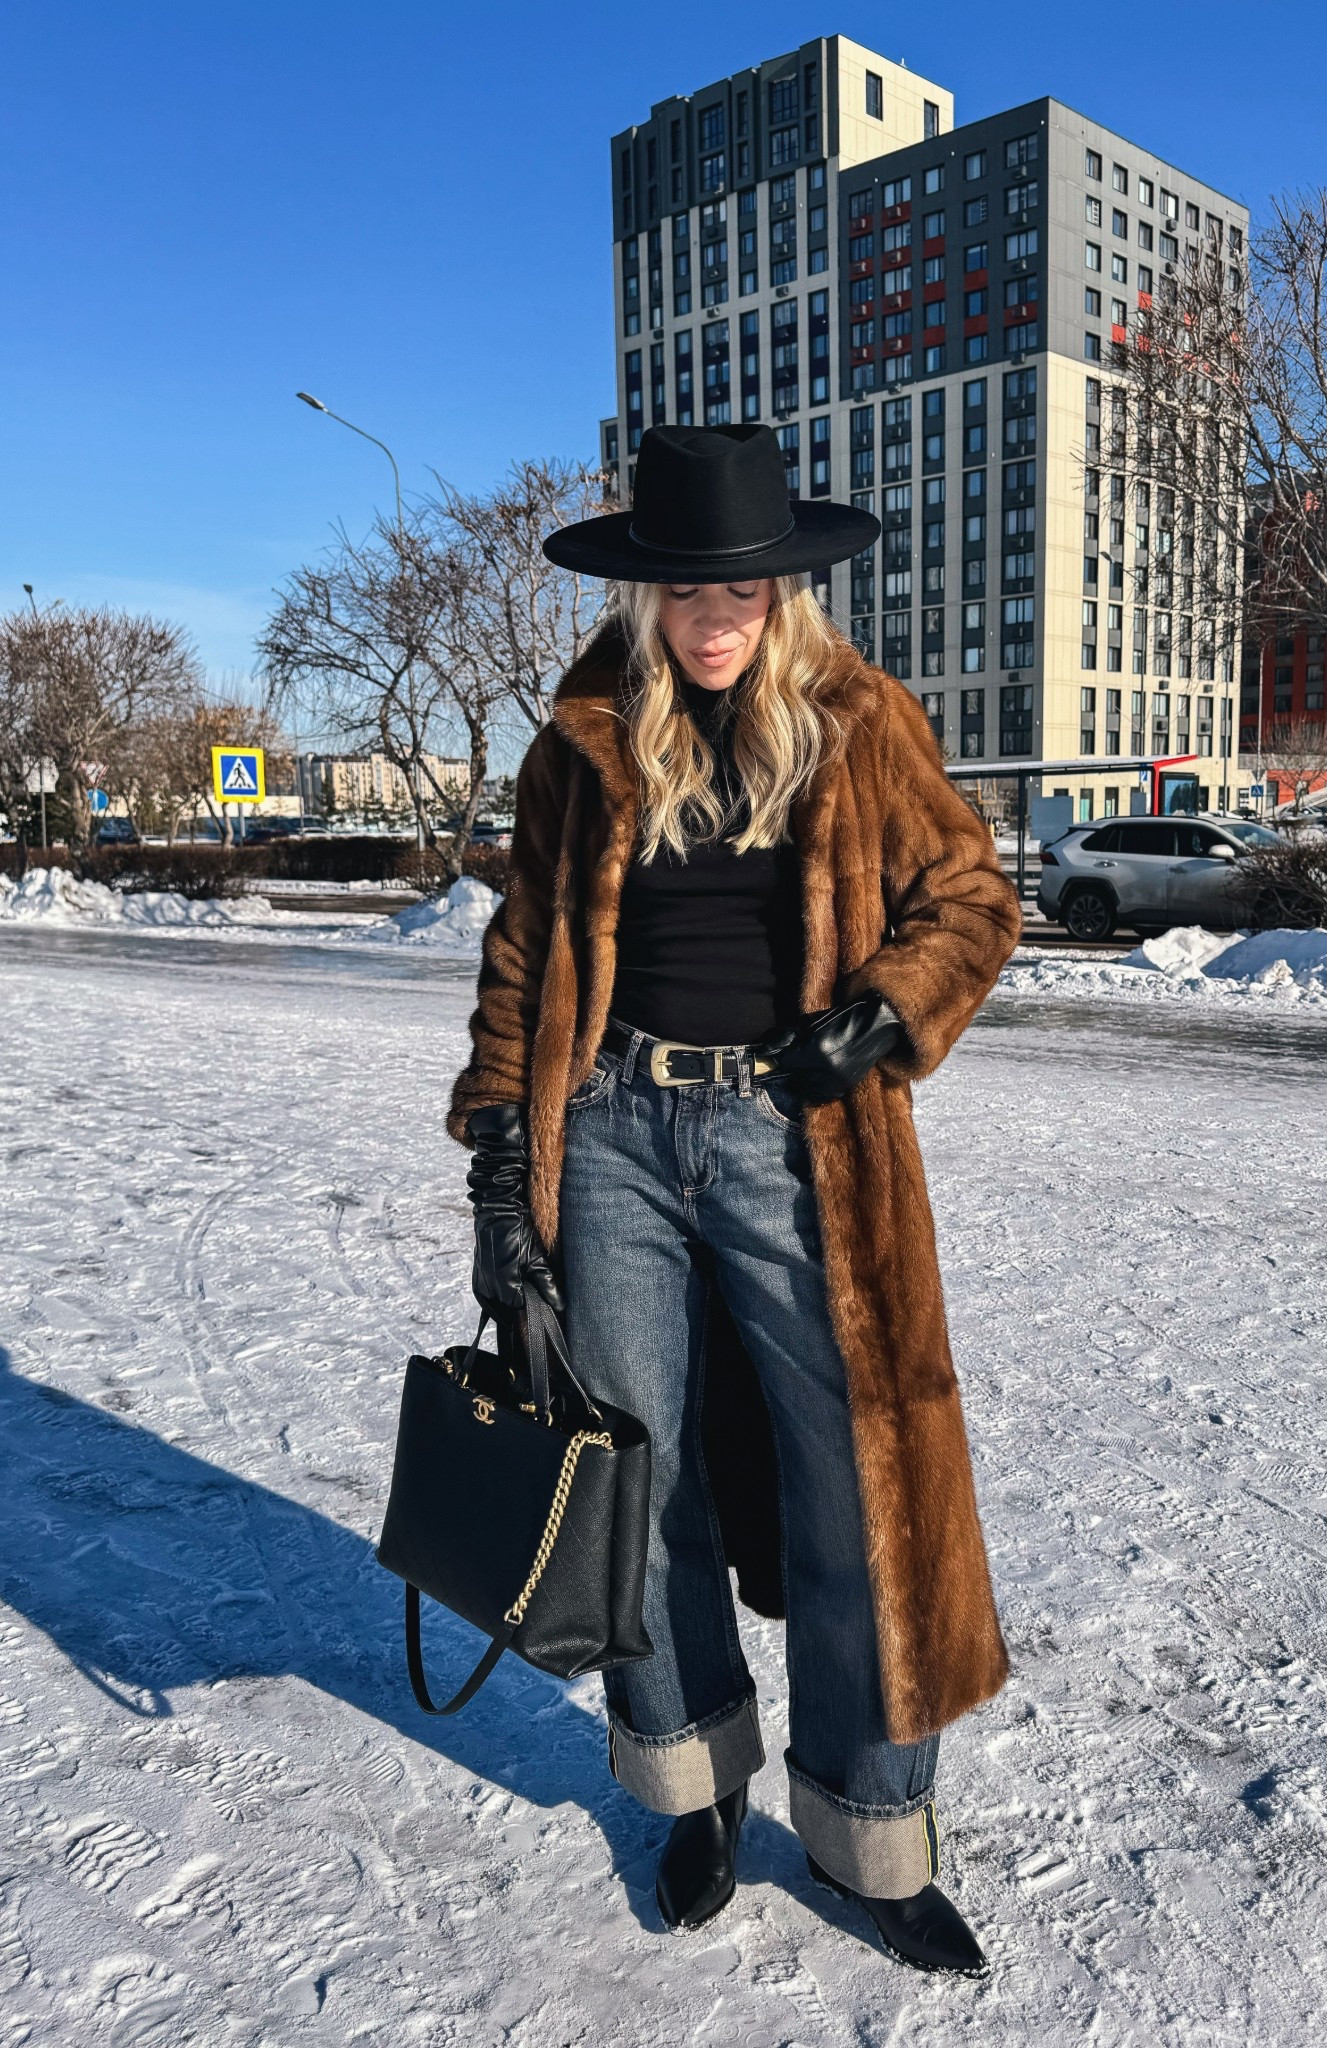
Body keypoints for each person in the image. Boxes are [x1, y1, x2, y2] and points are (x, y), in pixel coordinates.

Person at [448, 424, 1020, 1976]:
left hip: (796, 1136)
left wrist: (883, 1014)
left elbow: (973, 898)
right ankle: (695, 1787)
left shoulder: (858, 722)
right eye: (688, 590)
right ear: (643, 593)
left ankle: (870, 1831)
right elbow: (522, 961)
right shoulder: (582, 742)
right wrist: (502, 1180)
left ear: (784, 592)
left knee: (857, 1484)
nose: (716, 619)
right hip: (611, 1133)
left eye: (744, 590)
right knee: (640, 1481)